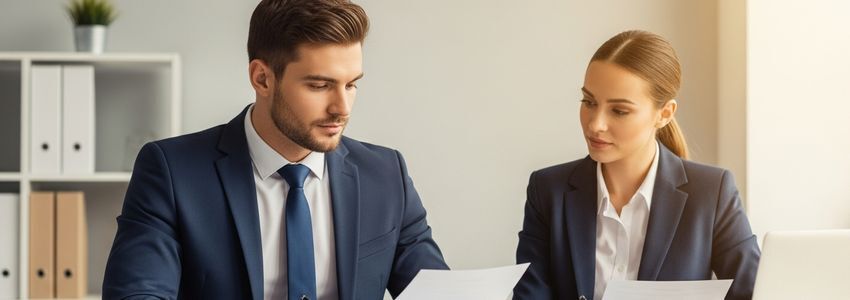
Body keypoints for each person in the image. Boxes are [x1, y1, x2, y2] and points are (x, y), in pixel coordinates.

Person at [102, 1, 448, 299]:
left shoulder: (386, 174)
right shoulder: (172, 171)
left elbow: (438, 291)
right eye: (319, 85)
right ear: (262, 78)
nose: (341, 107)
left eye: (351, 84)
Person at [513, 30, 760, 300]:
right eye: (589, 102)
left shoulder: (713, 193)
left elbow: (755, 294)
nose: (595, 124)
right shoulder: (548, 190)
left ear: (664, 114)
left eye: (619, 111)